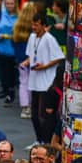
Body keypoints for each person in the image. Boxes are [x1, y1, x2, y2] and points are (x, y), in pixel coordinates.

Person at [21, 13, 65, 144]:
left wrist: (45, 66)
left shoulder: (49, 38)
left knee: (44, 114)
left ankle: (45, 140)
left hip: (46, 81)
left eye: (36, 24)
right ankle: (38, 139)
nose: (33, 27)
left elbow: (59, 57)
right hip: (34, 80)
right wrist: (26, 62)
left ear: (43, 25)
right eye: (32, 24)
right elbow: (31, 55)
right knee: (34, 114)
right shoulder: (32, 37)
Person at [0, 0, 18, 105]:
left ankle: (11, 93)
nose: (9, 6)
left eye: (11, 3)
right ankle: (5, 89)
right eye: (7, 3)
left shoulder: (20, 16)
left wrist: (16, 36)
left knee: (12, 72)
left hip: (14, 49)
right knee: (4, 70)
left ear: (15, 4)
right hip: (1, 48)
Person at [13, 2, 36, 119]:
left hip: (20, 58)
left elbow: (14, 43)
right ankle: (30, 106)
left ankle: (24, 107)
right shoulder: (35, 29)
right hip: (32, 59)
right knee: (31, 83)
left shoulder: (17, 26)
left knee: (23, 82)